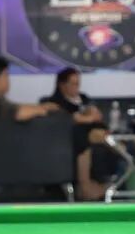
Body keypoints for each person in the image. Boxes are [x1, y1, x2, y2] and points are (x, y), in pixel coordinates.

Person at [46, 67, 117, 201]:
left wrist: (92, 116)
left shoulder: (84, 99)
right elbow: (66, 120)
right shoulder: (54, 103)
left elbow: (96, 116)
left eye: (78, 84)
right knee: (83, 139)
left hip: (96, 132)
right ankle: (85, 185)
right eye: (72, 84)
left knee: (107, 139)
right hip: (71, 139)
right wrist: (86, 118)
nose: (76, 87)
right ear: (62, 85)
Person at [0, 57, 58, 121]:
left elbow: (14, 107)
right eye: (6, 75)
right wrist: (43, 110)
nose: (8, 80)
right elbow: (18, 113)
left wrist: (41, 106)